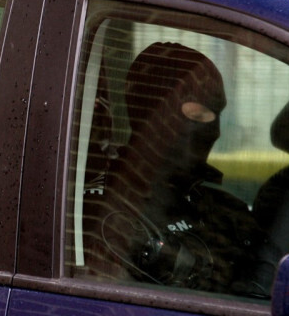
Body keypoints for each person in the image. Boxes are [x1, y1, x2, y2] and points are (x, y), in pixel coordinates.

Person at [83, 42, 269, 295]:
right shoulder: (109, 214)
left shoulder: (222, 208)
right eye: (197, 115)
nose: (212, 129)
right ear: (152, 114)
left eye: (215, 114)